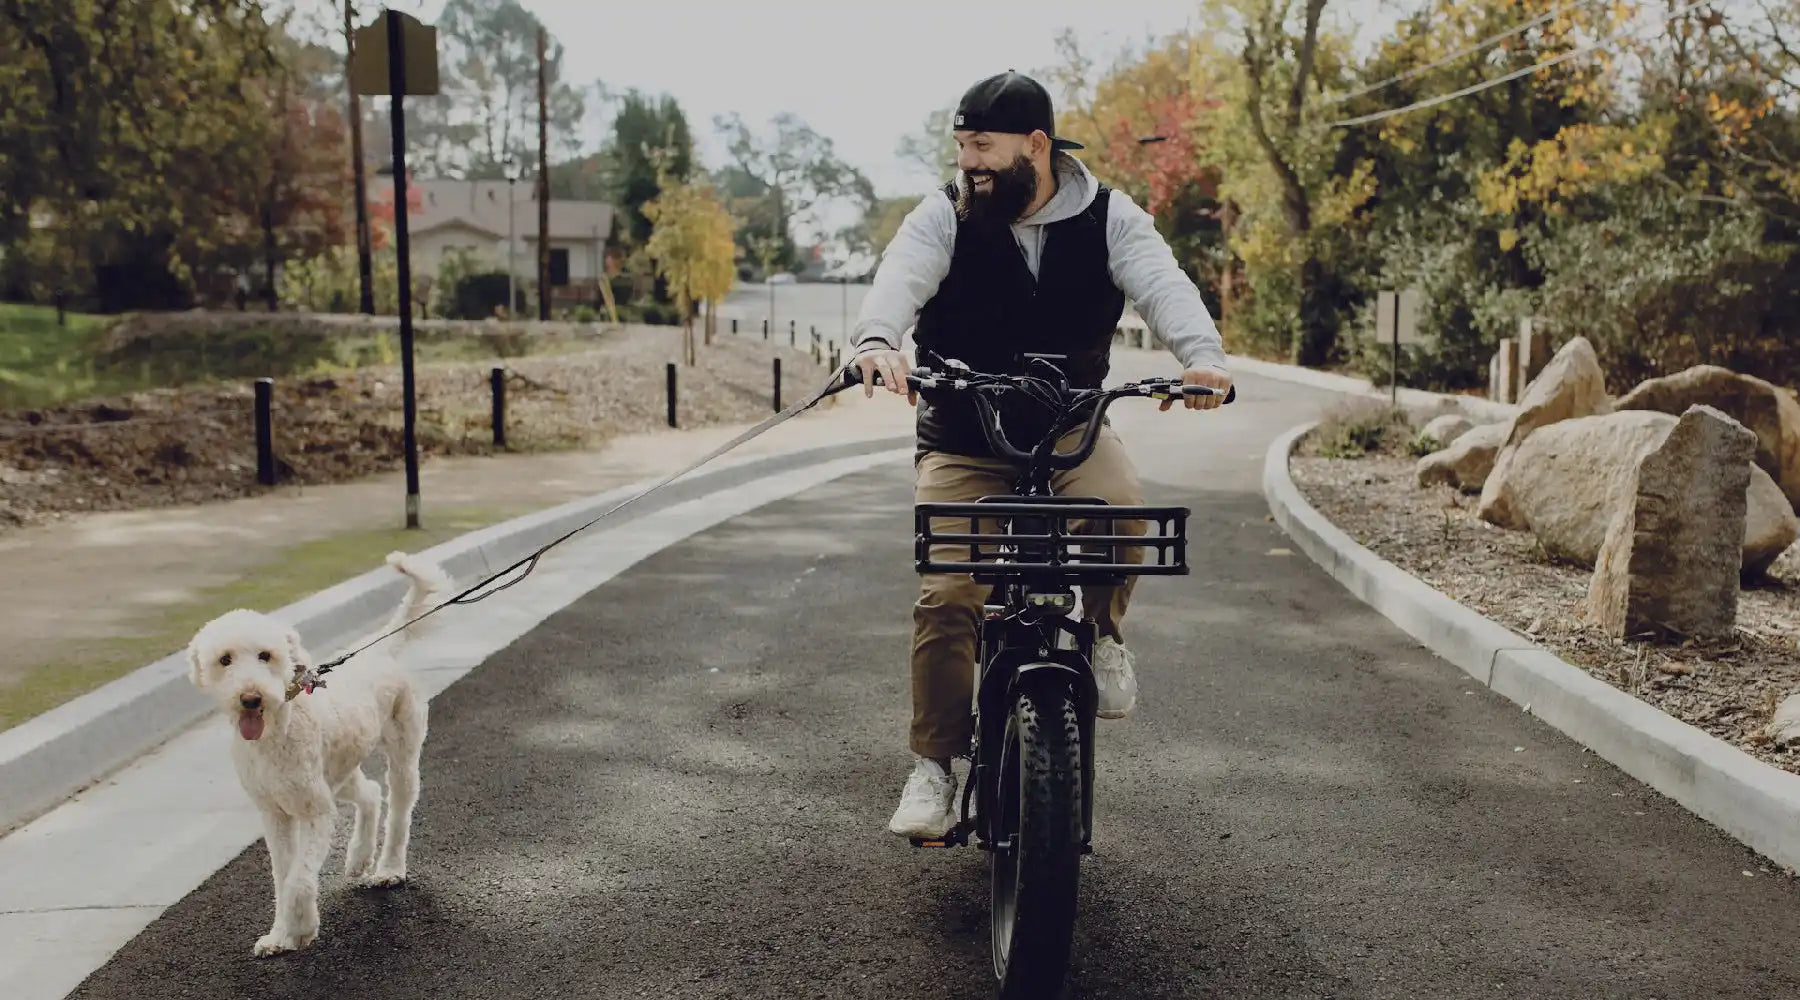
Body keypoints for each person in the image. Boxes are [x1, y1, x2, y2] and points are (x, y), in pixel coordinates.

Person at [848, 70, 1233, 839]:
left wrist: (1204, 357)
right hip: (963, 437)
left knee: (1124, 515)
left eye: (982, 146)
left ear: (1036, 145)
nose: (969, 163)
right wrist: (876, 340)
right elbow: (900, 280)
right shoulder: (945, 214)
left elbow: (1163, 284)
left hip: (1070, 430)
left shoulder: (1111, 216)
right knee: (951, 591)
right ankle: (934, 764)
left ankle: (1101, 636)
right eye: (961, 146)